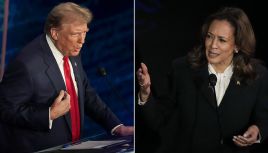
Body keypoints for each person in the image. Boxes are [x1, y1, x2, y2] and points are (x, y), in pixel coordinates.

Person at [0, 2, 133, 152]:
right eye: (76, 34)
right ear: (55, 33)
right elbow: (5, 110)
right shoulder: (26, 64)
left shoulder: (71, 49)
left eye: (85, 32)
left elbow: (84, 91)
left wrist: (116, 127)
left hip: (73, 146)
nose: (82, 41)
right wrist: (49, 115)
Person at [136, 7, 268, 153]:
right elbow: (158, 119)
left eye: (222, 40)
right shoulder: (183, 70)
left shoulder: (257, 75)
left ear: (237, 46)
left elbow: (264, 118)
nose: (212, 45)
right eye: (209, 36)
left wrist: (257, 130)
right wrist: (145, 94)